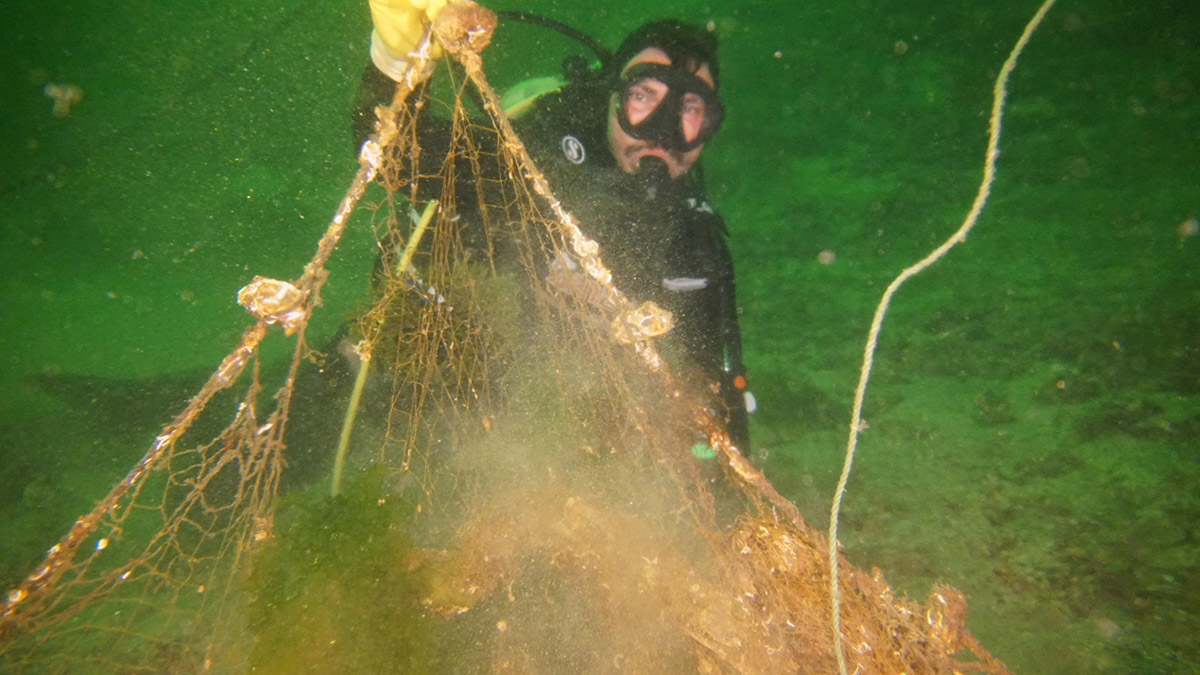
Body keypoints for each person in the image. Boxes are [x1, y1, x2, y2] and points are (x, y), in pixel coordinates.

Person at [357, 0, 753, 451]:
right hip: (416, 372)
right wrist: (399, 57)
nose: (662, 132)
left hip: (546, 437)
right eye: (644, 96)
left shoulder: (694, 245)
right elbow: (396, 159)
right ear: (611, 96)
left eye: (690, 109)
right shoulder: (536, 156)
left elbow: (719, 407)